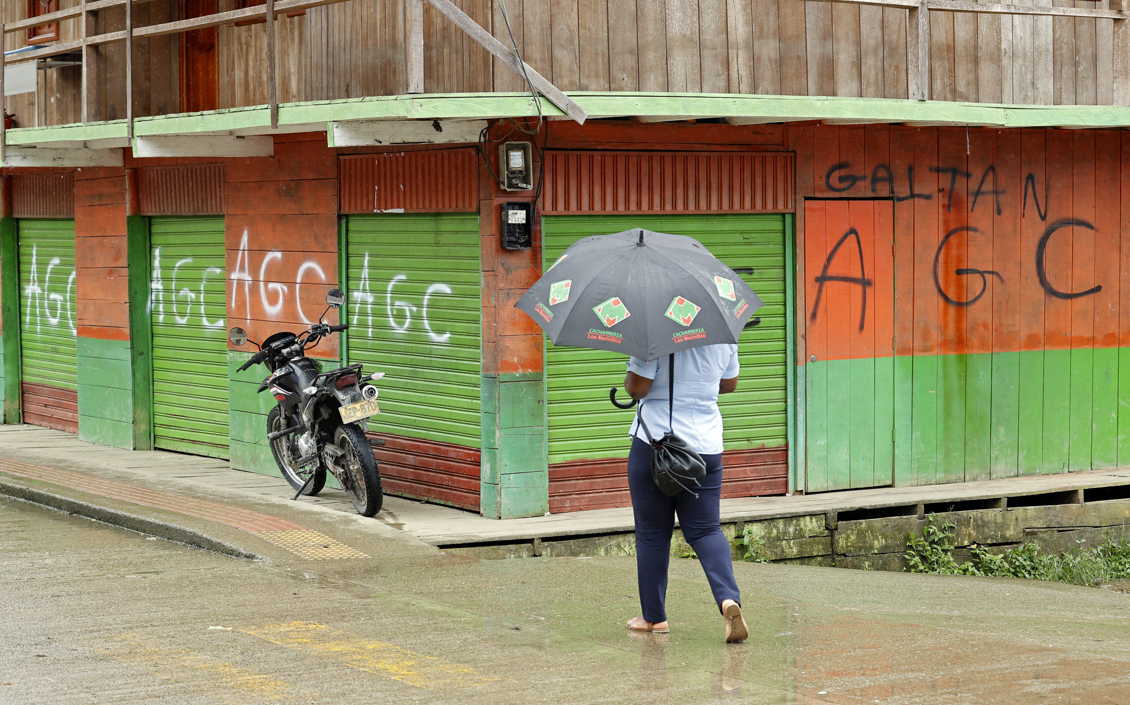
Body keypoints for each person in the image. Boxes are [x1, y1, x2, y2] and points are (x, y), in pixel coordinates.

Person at [622, 344, 748, 643]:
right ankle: (728, 600)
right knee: (706, 530)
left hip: (657, 446)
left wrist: (630, 376)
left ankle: (653, 618)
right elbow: (728, 384)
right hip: (705, 446)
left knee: (652, 533)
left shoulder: (651, 337)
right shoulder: (723, 336)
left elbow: (637, 388)